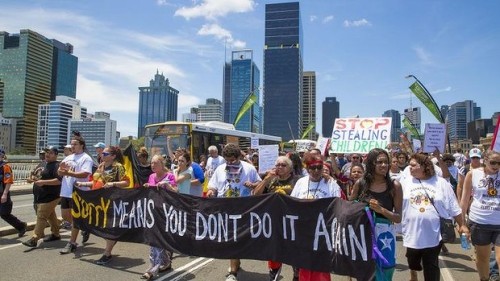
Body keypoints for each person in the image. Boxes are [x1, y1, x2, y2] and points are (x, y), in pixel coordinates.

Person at [400, 153, 467, 281]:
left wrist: (462, 224)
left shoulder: (440, 183)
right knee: (413, 262)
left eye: (413, 165)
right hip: (411, 233)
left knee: (431, 266)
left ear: (424, 166)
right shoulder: (405, 182)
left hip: (434, 234)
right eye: (409, 165)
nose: (410, 168)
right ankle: (414, 274)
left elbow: (453, 206)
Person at [206, 143, 262, 281]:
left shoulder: (249, 169)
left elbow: (260, 185)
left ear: (239, 157)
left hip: (243, 210)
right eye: (227, 160)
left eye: (233, 160)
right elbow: (212, 186)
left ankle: (233, 271)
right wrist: (211, 191)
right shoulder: (220, 169)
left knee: (236, 240)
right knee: (230, 240)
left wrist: (253, 185)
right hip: (224, 209)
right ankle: (234, 266)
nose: (230, 163)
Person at [349, 148, 402, 281]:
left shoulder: (395, 186)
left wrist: (381, 210)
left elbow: (398, 217)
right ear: (371, 164)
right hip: (363, 237)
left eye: (386, 162)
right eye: (379, 162)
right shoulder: (360, 184)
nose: (384, 165)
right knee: (365, 274)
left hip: (385, 239)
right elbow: (348, 210)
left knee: (385, 273)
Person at [290, 152, 341, 281]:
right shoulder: (301, 182)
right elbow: (291, 203)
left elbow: (338, 205)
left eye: (319, 167)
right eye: (313, 167)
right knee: (305, 266)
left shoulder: (331, 184)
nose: (316, 170)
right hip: (304, 232)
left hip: (323, 233)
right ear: (307, 168)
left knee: (321, 268)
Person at [76, 146, 130, 265]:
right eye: (102, 153)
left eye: (105, 153)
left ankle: (107, 253)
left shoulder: (118, 167)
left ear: (113, 156)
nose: (102, 155)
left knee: (108, 228)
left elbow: (127, 182)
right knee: (101, 227)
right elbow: (96, 182)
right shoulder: (101, 166)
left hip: (112, 201)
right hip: (98, 202)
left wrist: (113, 184)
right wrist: (83, 183)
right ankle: (113, 239)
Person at [460, 150, 500, 281]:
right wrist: (462, 224)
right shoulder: (473, 174)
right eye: (493, 162)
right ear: (485, 161)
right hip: (479, 222)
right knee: (483, 258)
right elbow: (465, 200)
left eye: (499, 163)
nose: (496, 166)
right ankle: (484, 279)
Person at [141, 154, 177, 280]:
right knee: (154, 239)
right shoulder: (151, 176)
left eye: (156, 163)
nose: (153, 165)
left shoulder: (170, 176)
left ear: (162, 165)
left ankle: (154, 267)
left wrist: (167, 185)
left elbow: (175, 192)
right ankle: (161, 264)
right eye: (152, 163)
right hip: (153, 211)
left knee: (161, 238)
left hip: (166, 212)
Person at [58, 133, 94, 254]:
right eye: (71, 144)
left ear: (82, 145)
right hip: (66, 191)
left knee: (75, 216)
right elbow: (60, 172)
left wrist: (69, 173)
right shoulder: (68, 157)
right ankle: (82, 227)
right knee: (65, 216)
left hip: (79, 192)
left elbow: (85, 174)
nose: (72, 146)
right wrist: (61, 170)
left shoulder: (86, 158)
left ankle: (72, 243)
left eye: (75, 144)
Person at [22, 146, 62, 248]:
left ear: (56, 155)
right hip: (40, 196)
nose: (47, 154)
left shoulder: (57, 166)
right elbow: (36, 176)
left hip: (51, 196)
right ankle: (56, 233)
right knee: (50, 215)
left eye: (51, 153)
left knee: (41, 216)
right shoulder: (42, 163)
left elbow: (59, 180)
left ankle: (34, 239)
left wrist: (43, 182)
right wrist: (31, 179)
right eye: (46, 152)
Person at [0, 149, 27, 237]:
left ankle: (21, 226)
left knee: (4, 214)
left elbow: (8, 181)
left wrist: (5, 194)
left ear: (2, 156)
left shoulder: (5, 167)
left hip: (3, 193)